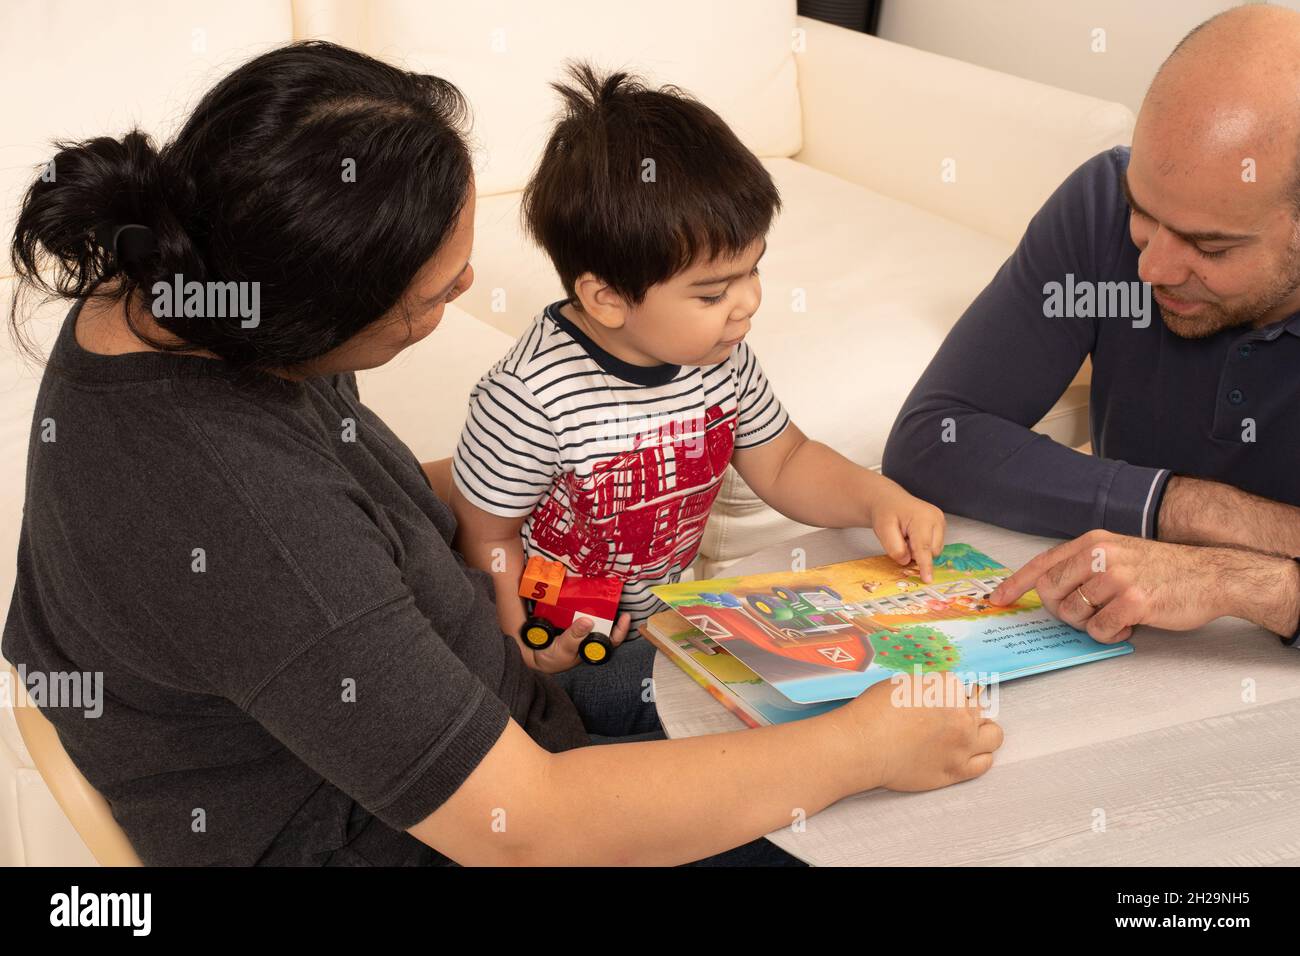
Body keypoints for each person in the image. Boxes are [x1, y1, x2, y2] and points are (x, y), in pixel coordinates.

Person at [2, 41, 1002, 867]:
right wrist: (854, 748)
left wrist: (528, 520)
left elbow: (360, 509)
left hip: (497, 705)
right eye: (436, 296)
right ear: (318, 313)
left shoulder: (184, 284)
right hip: (448, 822)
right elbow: (523, 824)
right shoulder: (240, 513)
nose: (470, 286)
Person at [450, 64, 948, 671]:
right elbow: (487, 536)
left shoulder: (720, 358)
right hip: (567, 648)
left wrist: (878, 499)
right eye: (712, 294)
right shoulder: (529, 398)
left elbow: (786, 461)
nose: (748, 302)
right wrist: (523, 658)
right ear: (606, 298)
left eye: (754, 270)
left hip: (667, 624)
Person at [882, 5, 1300, 648]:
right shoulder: (1101, 201)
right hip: (1125, 654)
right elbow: (932, 440)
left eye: (1209, 248)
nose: (1152, 268)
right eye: (1143, 213)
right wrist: (1181, 507)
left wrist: (1240, 582)